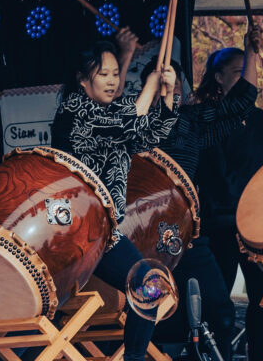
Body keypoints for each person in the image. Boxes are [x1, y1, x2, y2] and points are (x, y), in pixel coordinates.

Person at [140, 23, 263, 361]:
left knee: (219, 313)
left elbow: (242, 100)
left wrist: (251, 52)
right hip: (140, 237)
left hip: (184, 235)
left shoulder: (191, 123)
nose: (174, 91)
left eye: (178, 85)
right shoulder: (136, 125)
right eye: (166, 86)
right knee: (145, 315)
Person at [51, 39, 178, 361]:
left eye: (114, 74)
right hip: (69, 226)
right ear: (83, 80)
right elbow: (128, 121)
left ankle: (132, 358)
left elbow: (152, 134)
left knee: (151, 287)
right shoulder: (75, 110)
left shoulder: (112, 117)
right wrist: (150, 83)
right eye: (104, 74)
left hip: (103, 232)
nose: (111, 81)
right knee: (42, 305)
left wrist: (167, 93)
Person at [197, 47, 263, 361]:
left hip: (258, 224)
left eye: (248, 70)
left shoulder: (257, 118)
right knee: (219, 301)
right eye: (237, 71)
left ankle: (258, 356)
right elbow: (213, 176)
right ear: (218, 78)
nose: (246, 77)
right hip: (222, 221)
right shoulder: (209, 118)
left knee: (262, 298)